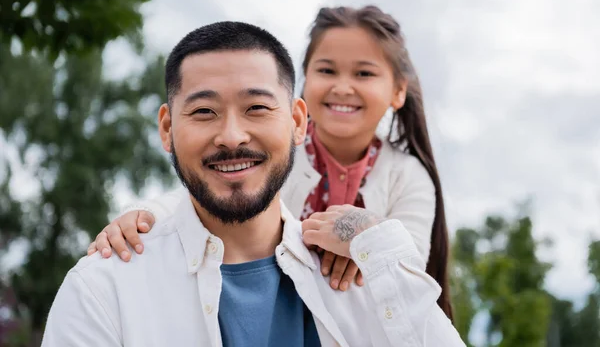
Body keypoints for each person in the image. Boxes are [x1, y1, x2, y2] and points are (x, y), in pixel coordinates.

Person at [42, 21, 464, 346]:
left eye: (257, 107)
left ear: (298, 122)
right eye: (204, 111)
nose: (231, 136)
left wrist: (375, 247)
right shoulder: (104, 288)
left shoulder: (364, 280)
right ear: (167, 128)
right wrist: (149, 215)